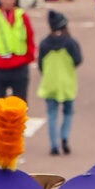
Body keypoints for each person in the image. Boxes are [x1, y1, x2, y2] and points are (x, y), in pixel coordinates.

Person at [35, 9, 83, 155]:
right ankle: (65, 137)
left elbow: (40, 65)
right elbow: (78, 60)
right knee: (68, 112)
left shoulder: (44, 43)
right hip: (67, 83)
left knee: (52, 114)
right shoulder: (71, 42)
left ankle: (54, 144)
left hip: (50, 84)